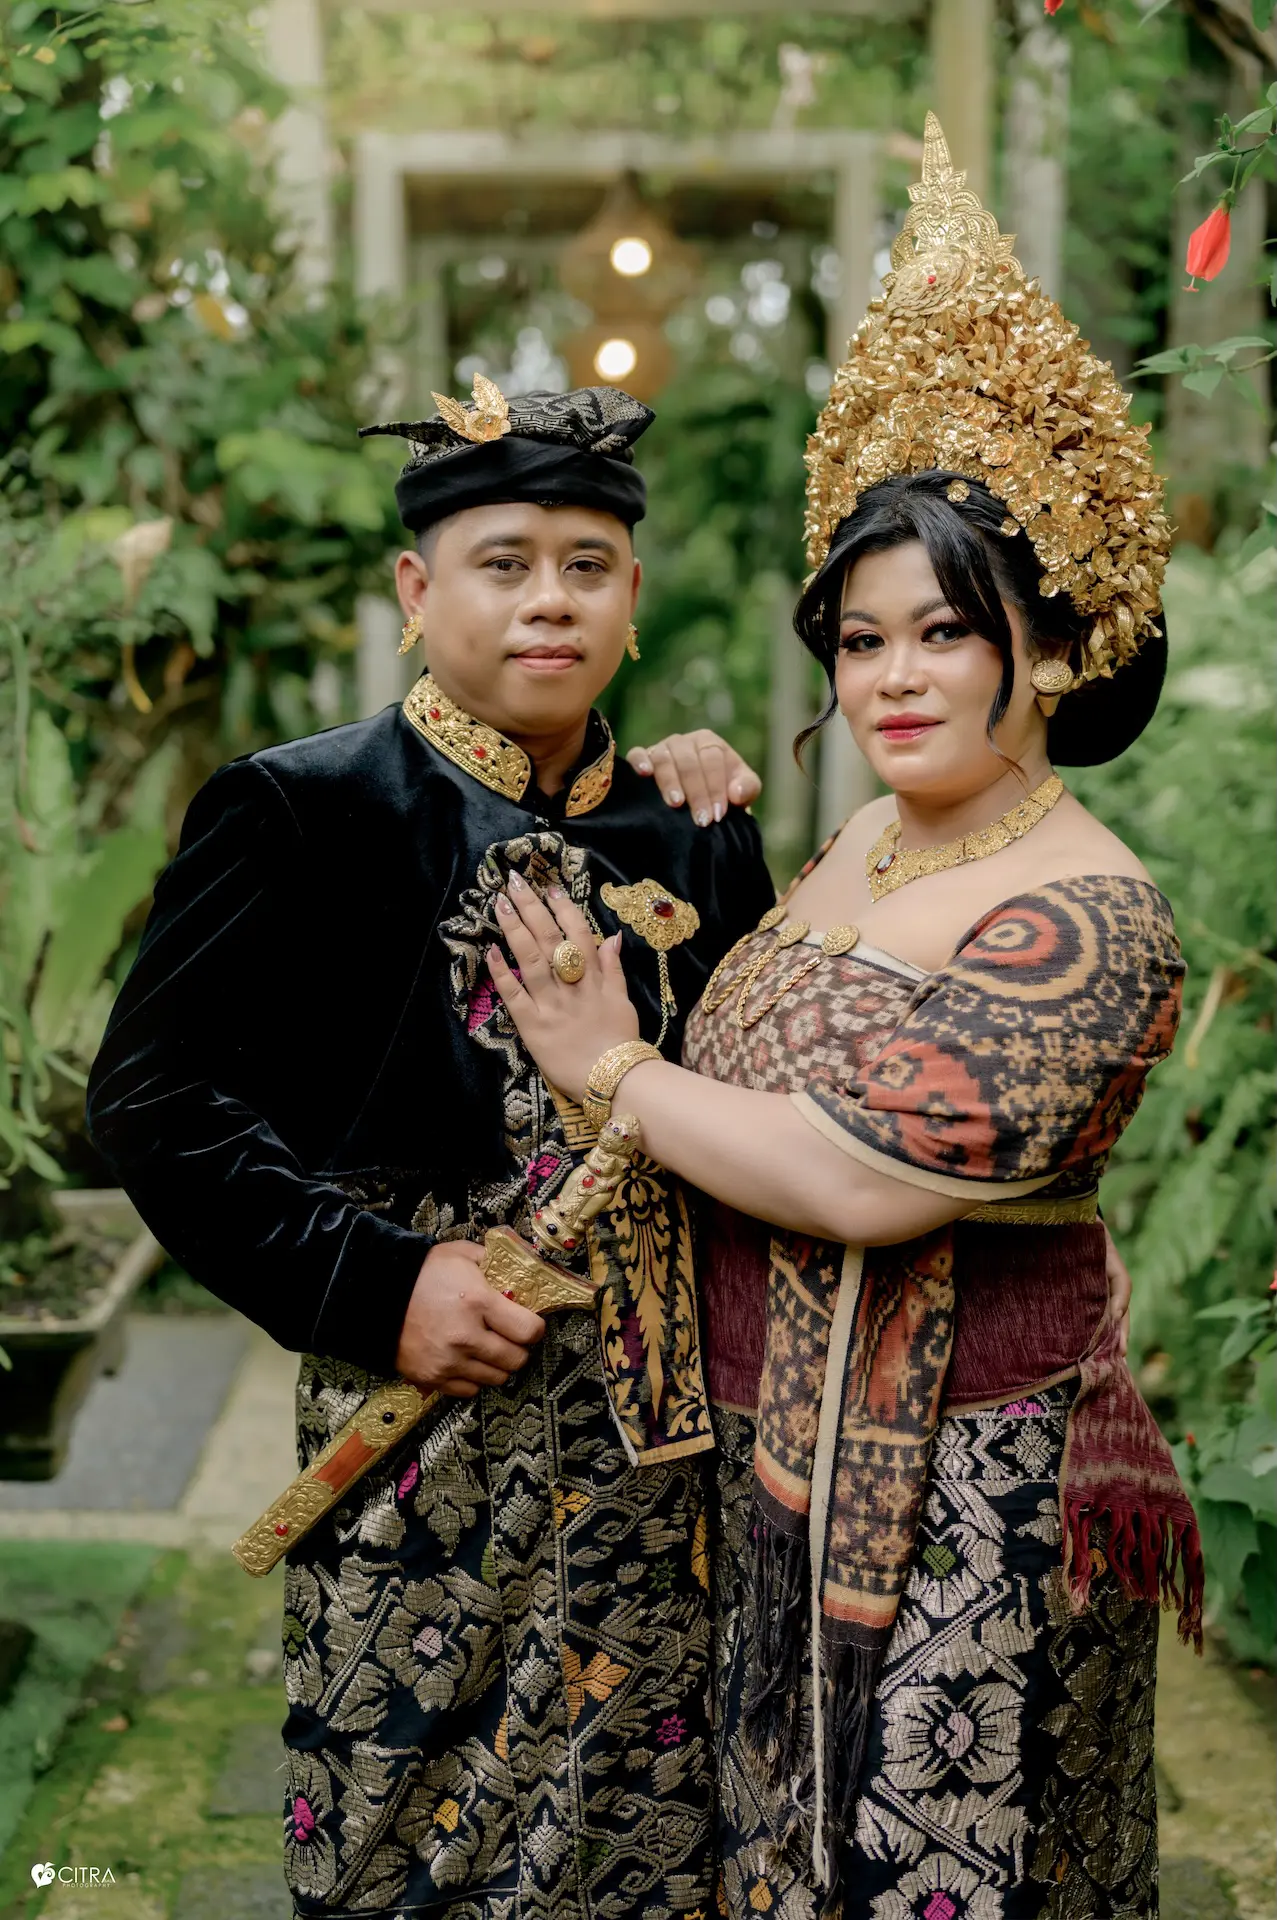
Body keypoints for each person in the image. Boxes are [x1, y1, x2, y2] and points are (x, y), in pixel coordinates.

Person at [484, 119, 1202, 1920]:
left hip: (967, 1493)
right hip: (778, 1466)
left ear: (1051, 650)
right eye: (861, 640)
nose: (891, 678)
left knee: (938, 1870)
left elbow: (859, 1177)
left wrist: (608, 1072)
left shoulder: (1086, 911)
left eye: (943, 634)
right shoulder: (860, 840)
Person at [86, 378, 776, 1919]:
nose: (550, 599)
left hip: (661, 1433)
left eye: (586, 566)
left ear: (633, 598)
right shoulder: (301, 809)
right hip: (421, 1416)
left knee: (650, 1825)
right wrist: (378, 1283)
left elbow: (757, 1097)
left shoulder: (695, 827)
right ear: (416, 588)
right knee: (403, 1817)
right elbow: (149, 1099)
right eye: (503, 562)